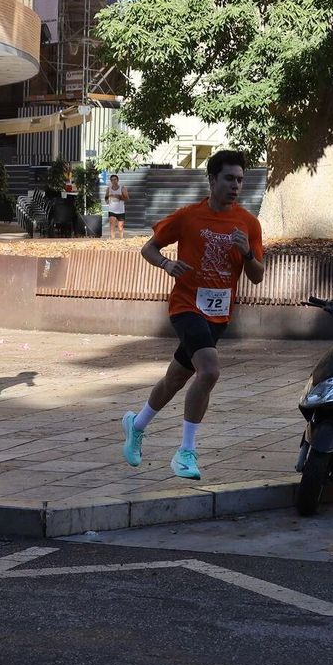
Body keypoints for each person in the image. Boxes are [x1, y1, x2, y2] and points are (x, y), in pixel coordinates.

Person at [121, 150, 265, 479]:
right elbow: (149, 248)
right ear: (212, 179)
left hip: (219, 314)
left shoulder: (248, 224)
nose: (235, 186)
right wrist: (167, 264)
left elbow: (257, 275)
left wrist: (245, 253)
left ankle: (137, 424)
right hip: (187, 306)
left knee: (176, 378)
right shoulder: (188, 217)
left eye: (240, 180)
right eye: (229, 178)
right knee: (210, 371)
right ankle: (186, 452)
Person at [105, 173, 130, 239]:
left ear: (118, 180)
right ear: (111, 181)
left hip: (121, 210)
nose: (114, 181)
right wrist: (107, 200)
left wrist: (120, 197)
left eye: (115, 179)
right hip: (112, 210)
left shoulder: (122, 188)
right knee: (112, 226)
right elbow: (106, 197)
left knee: (120, 227)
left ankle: (121, 239)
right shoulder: (109, 189)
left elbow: (127, 198)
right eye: (112, 180)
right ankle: (113, 240)